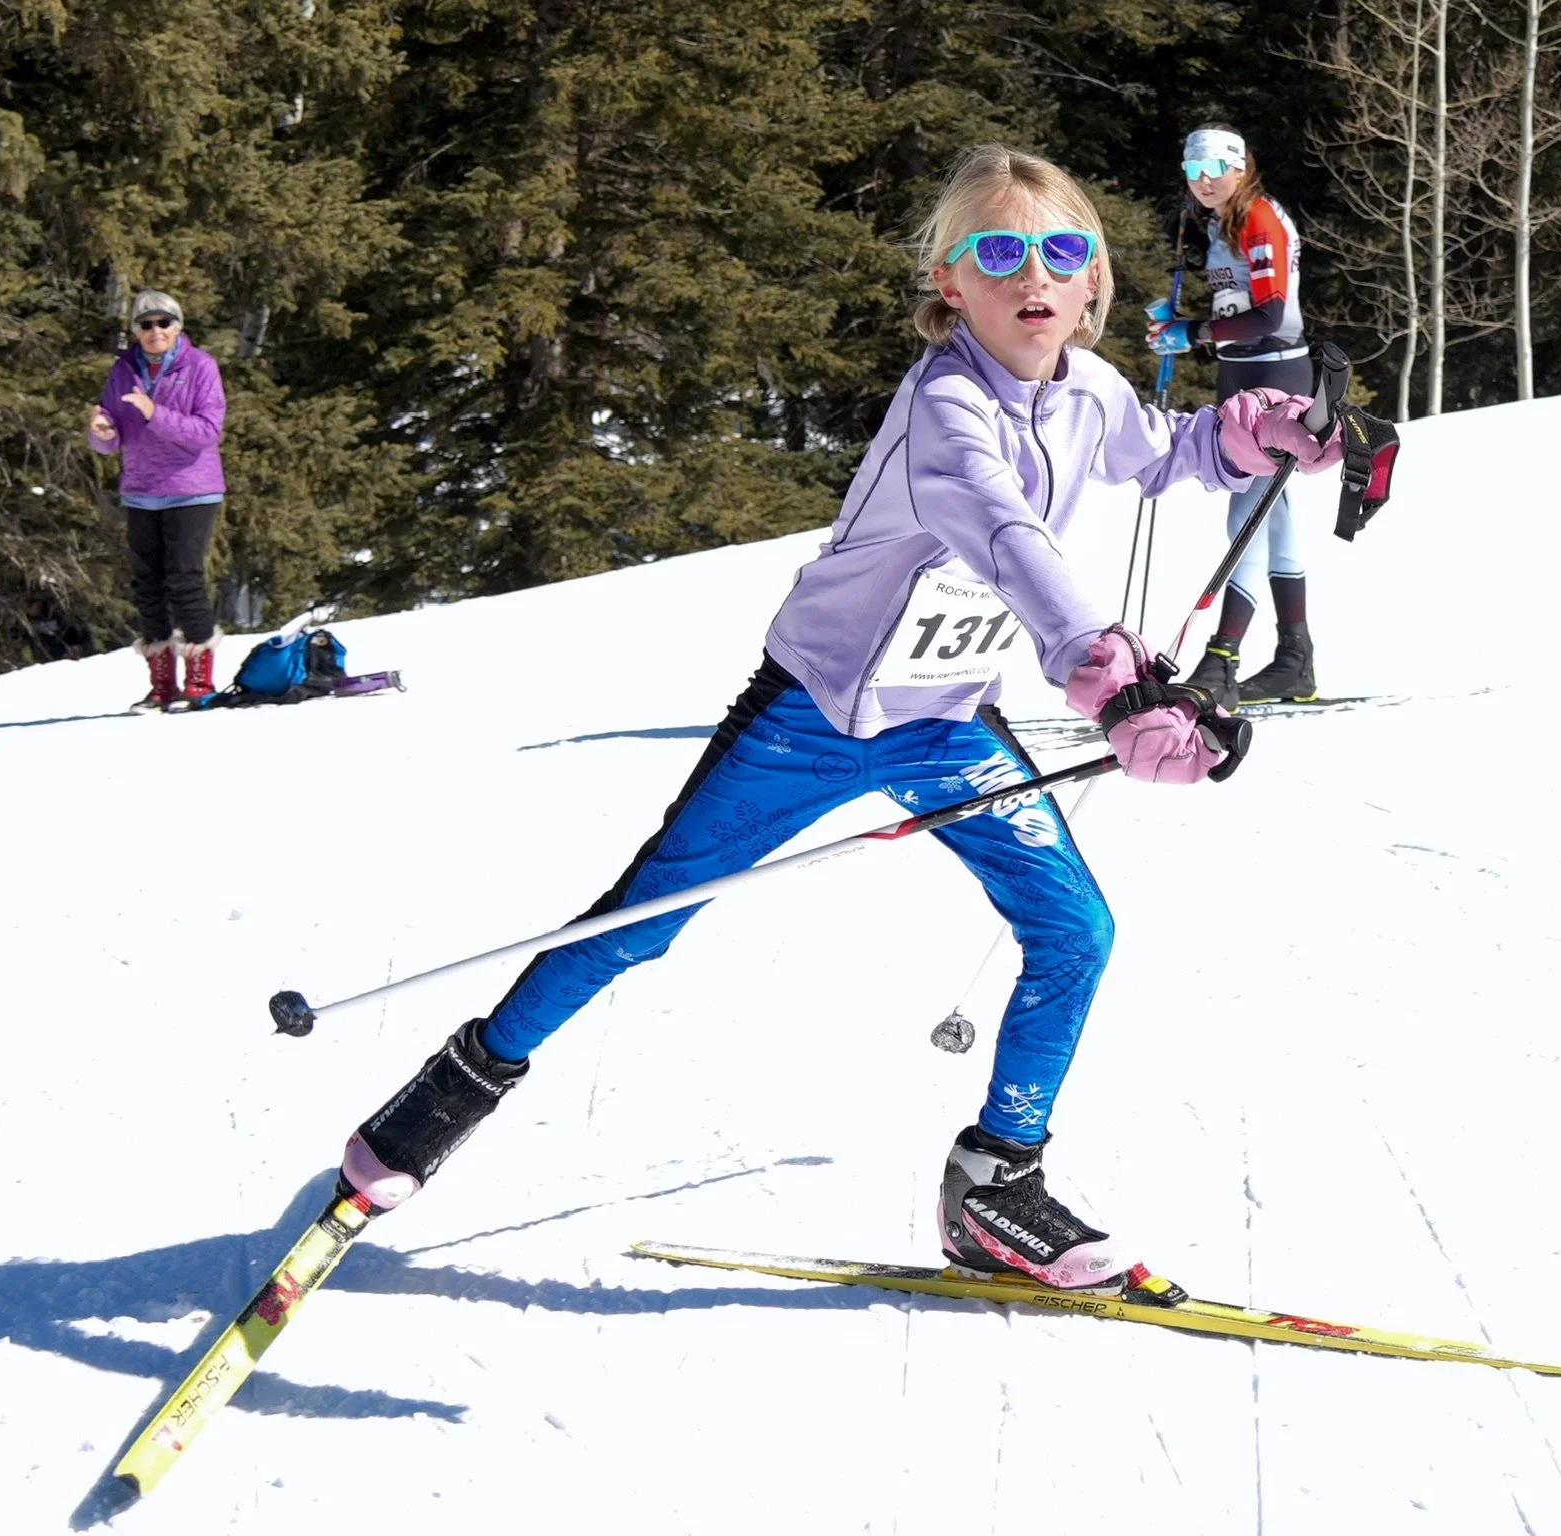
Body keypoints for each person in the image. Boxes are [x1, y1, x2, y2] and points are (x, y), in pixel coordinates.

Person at [333, 145, 1342, 1291]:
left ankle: (997, 1189)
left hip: (948, 721)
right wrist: (1107, 677)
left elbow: (1159, 455)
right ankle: (442, 1098)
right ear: (947, 284)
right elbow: (1003, 537)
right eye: (998, 252)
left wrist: (1252, 433)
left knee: (1074, 931)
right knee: (638, 924)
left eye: (1062, 252)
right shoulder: (944, 410)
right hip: (810, 714)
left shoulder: (1088, 390)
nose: (1036, 278)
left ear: (1094, 278)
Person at [1147, 125, 1316, 708]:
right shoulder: (1223, 225)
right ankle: (1296, 658)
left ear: (1240, 167)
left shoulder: (1258, 220)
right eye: (1192, 172)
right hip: (1242, 374)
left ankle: (1222, 658)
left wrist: (1189, 333)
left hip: (1274, 375)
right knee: (1274, 516)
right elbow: (1237, 305)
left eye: (1215, 168)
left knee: (1245, 513)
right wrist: (1182, 324)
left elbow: (1269, 315)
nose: (1204, 181)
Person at [86, 290, 229, 711]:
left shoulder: (200, 366)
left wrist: (153, 412)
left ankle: (200, 681)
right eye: (145, 324)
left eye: (163, 322)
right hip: (141, 490)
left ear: (178, 327)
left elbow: (207, 431)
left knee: (183, 581)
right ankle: (162, 685)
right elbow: (109, 433)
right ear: (135, 331)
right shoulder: (124, 369)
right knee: (147, 586)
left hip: (192, 489)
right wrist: (102, 431)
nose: (155, 331)